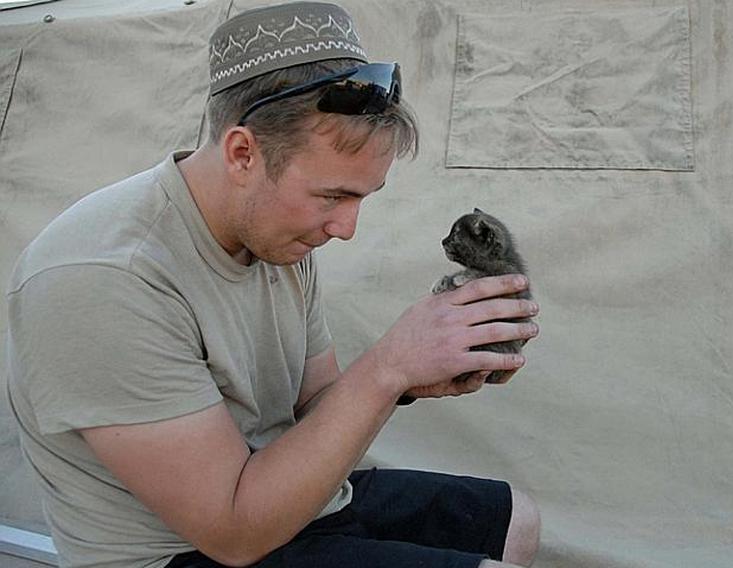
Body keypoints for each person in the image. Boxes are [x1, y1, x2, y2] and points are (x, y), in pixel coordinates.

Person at [5, 2, 541, 567]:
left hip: (289, 501)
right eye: (333, 196)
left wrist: (415, 378)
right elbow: (233, 533)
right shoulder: (104, 278)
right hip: (189, 550)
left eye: (362, 197)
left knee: (514, 519)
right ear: (242, 153)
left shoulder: (276, 236)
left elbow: (316, 408)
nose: (346, 228)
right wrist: (388, 367)